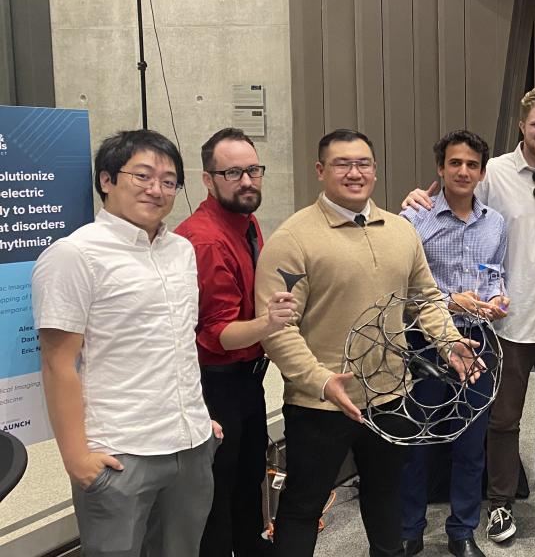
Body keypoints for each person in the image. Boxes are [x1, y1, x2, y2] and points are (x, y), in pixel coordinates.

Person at [255, 129, 480, 557]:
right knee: (304, 505)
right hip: (320, 403)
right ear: (320, 171)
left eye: (363, 164)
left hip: (391, 397)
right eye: (342, 164)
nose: (354, 173)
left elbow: (426, 299)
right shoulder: (293, 239)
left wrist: (450, 343)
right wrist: (320, 381)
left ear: (375, 171)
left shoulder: (400, 231)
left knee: (386, 498)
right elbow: (277, 329)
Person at [402, 87, 535, 543]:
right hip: (504, 324)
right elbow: (457, 202)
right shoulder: (494, 173)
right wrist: (416, 199)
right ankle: (500, 504)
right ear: (522, 127)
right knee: (501, 420)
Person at [32, 129, 221, 556]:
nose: (157, 189)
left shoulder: (181, 251)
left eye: (169, 180)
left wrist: (197, 418)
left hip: (190, 444)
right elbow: (57, 363)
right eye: (142, 175)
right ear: (106, 181)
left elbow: (177, 344)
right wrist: (76, 457)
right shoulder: (74, 255)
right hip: (121, 450)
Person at [175, 127, 297, 557]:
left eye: (252, 170)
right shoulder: (205, 239)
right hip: (216, 382)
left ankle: (250, 545)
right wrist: (271, 322)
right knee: (219, 489)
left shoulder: (246, 220)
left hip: (246, 378)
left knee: (247, 478)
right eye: (232, 173)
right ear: (208, 179)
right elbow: (220, 334)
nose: (247, 181)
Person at [399, 130, 508, 557]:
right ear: (440, 168)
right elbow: (399, 289)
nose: (463, 171)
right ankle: (409, 530)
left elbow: (496, 273)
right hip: (425, 343)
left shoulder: (495, 222)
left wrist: (498, 298)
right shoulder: (413, 220)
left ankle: (462, 531)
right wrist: (448, 300)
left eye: (472, 165)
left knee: (470, 441)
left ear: (482, 172)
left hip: (478, 341)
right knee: (419, 439)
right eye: (455, 163)